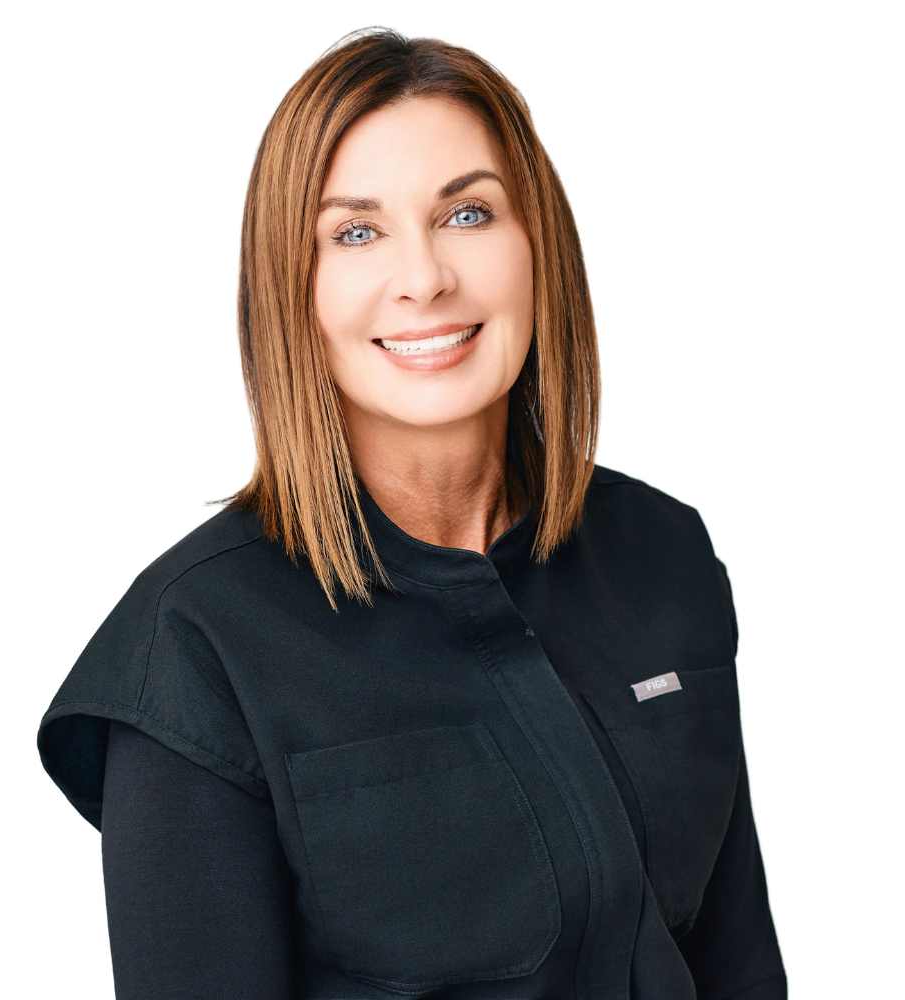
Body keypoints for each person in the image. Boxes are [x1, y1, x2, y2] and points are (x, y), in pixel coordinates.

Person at [38, 28, 786, 1000]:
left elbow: (739, 970)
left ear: (537, 247)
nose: (425, 276)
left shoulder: (661, 553)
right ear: (290, 288)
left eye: (467, 213)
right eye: (354, 232)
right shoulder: (194, 650)